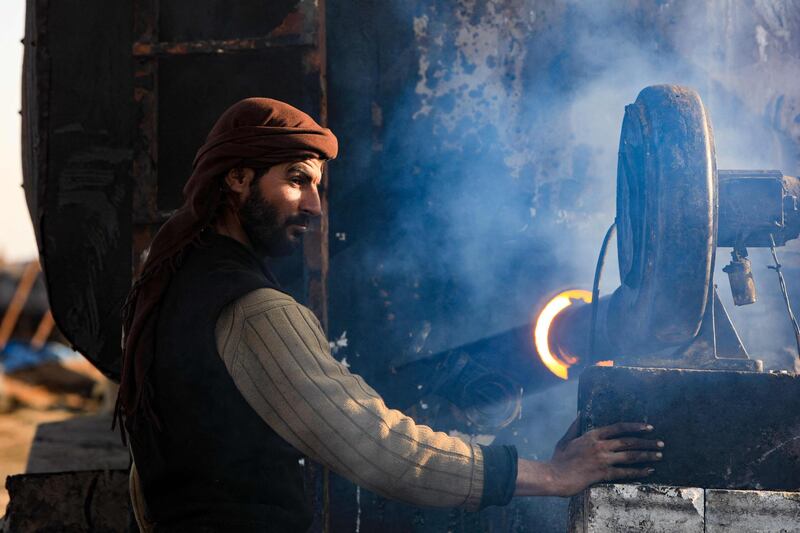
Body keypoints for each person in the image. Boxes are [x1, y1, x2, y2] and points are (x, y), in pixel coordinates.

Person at [115, 97, 663, 532]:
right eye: (297, 179)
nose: (313, 206)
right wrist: (550, 474)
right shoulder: (252, 312)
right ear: (236, 179)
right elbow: (376, 447)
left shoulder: (165, 288)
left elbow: (148, 477)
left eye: (317, 187)